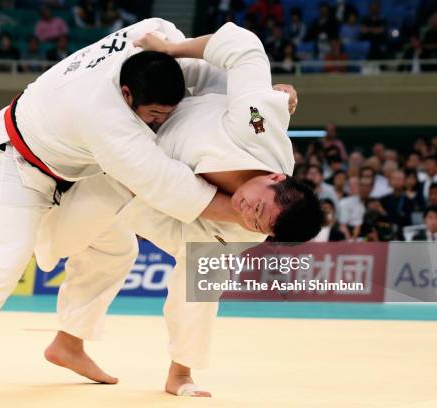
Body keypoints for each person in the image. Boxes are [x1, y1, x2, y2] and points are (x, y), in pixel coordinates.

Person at [0, 18, 252, 403]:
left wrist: (261, 98)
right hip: (19, 162)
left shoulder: (158, 42)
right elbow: (170, 187)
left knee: (117, 250)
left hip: (81, 168)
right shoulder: (105, 117)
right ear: (127, 95)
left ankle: (68, 344)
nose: (160, 123)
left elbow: (214, 67)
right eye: (155, 116)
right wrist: (251, 213)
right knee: (4, 261)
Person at [34, 23, 320, 398]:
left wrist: (182, 371)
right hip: (143, 119)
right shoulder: (259, 129)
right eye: (258, 205)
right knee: (93, 249)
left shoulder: (242, 229)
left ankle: (179, 374)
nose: (246, 210)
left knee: (201, 282)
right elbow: (244, 46)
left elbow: (198, 282)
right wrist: (172, 48)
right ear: (274, 176)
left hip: (143, 193)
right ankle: (68, 342)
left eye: (257, 221)